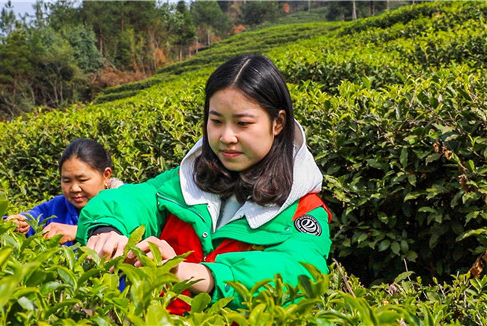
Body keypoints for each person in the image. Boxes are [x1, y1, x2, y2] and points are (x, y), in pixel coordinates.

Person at [75, 54, 332, 311]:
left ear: (277, 123)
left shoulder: (303, 209)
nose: (226, 137)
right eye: (216, 121)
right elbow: (132, 200)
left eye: (243, 123)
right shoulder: (187, 180)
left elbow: (298, 271)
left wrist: (199, 274)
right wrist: (106, 230)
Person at [7, 138, 123, 246]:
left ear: (106, 175)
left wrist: (78, 231)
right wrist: (19, 223)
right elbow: (33, 217)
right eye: (66, 180)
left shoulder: (128, 202)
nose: (74, 188)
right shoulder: (56, 207)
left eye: (82, 180)